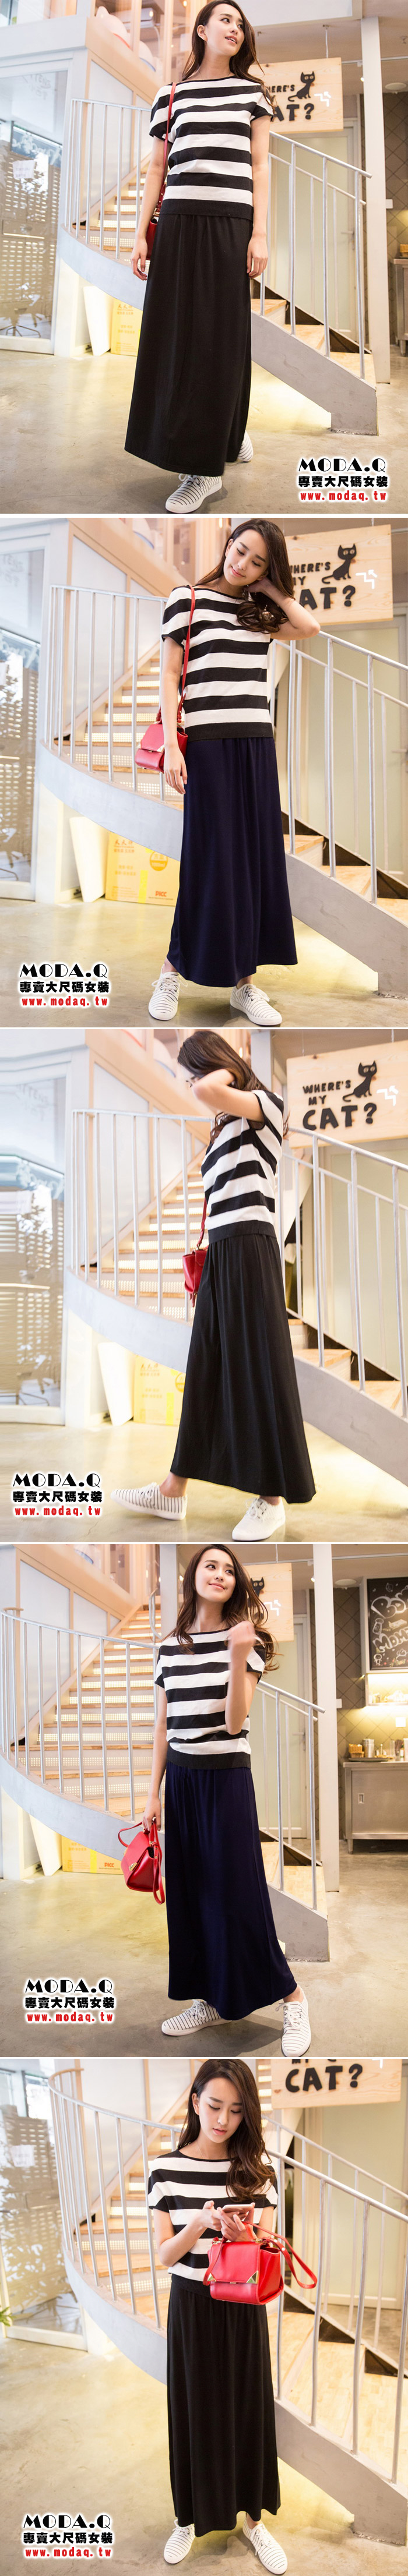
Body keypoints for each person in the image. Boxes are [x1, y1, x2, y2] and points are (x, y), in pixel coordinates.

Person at [112, 1030, 316, 1542]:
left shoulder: (265, 1106)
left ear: (213, 1066)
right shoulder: (224, 1123)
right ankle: (173, 1488)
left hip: (250, 1245)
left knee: (255, 1363)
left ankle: (271, 1499)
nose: (192, 1085)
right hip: (223, 1252)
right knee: (206, 1367)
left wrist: (226, 1069)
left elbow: (207, 1089)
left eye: (192, 1072)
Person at [147, 519, 320, 1029]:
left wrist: (272, 590)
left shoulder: (260, 611)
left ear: (268, 570)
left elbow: (309, 627)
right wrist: (174, 747)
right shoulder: (187, 599)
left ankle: (244, 985)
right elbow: (170, 675)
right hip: (207, 746)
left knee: (254, 861)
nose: (241, 564)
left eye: (257, 561)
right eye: (239, 550)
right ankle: (171, 972)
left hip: (256, 744)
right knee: (207, 861)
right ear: (227, 544)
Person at [140, 1541, 311, 2051]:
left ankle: (294, 1997)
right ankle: (210, 1998)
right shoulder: (168, 1648)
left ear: (236, 1583)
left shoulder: (246, 1639)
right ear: (194, 1575)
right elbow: (163, 1725)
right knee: (193, 1896)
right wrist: (153, 1793)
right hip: (182, 1781)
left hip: (226, 1779)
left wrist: (238, 1657)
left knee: (239, 1895)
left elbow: (235, 1722)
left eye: (229, 1569)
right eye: (210, 1565)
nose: (219, 1573)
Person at [125, 4, 272, 513]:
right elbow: (157, 170)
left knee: (219, 338)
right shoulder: (170, 95)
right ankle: (225, 436)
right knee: (175, 337)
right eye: (225, 20)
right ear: (202, 30)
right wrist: (142, 234)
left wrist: (260, 234)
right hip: (177, 223)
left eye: (240, 23)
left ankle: (206, 468)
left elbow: (260, 167)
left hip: (230, 223)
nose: (235, 28)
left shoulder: (253, 94)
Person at [149, 2058, 288, 2567]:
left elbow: (268, 2246)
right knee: (193, 2411)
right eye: (214, 2105)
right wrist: (200, 2225)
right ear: (195, 2102)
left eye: (236, 2109)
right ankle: (186, 2517)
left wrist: (242, 2234)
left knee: (248, 2410)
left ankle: (254, 2520)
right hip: (191, 2307)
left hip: (242, 2306)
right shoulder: (164, 2171)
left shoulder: (258, 2170)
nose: (223, 2119)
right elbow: (164, 2256)